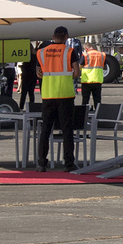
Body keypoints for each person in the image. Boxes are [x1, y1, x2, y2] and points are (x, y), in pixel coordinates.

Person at [35, 27, 79, 170]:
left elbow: (39, 74)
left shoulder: (41, 52)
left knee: (45, 130)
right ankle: (69, 163)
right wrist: (66, 77)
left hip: (48, 95)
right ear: (66, 36)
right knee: (67, 131)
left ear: (53, 36)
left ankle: (41, 163)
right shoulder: (70, 52)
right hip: (65, 95)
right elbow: (76, 72)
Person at [79, 38, 108, 108]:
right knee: (97, 100)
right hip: (97, 80)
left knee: (85, 100)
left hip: (87, 81)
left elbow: (80, 65)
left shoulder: (86, 55)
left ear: (86, 48)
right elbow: (104, 67)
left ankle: (84, 115)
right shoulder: (101, 55)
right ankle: (98, 115)